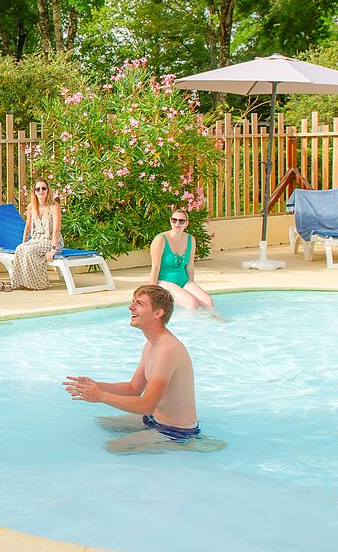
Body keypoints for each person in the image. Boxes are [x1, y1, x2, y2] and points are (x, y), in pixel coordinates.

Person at [64, 285, 207, 453]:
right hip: (152, 419)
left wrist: (101, 396)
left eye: (139, 303)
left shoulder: (167, 350)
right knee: (101, 423)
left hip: (176, 432)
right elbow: (133, 388)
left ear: (157, 313)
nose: (130, 307)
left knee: (112, 448)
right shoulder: (151, 344)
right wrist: (96, 386)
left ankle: (189, 446)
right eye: (133, 302)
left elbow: (146, 405)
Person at [148, 209, 215, 312]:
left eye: (181, 221)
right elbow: (155, 267)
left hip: (183, 281)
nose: (177, 223)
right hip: (164, 281)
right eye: (174, 220)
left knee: (208, 302)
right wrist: (151, 293)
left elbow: (190, 265)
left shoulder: (190, 239)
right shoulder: (160, 239)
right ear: (170, 221)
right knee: (191, 302)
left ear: (186, 223)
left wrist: (191, 285)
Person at [11, 179, 61, 290]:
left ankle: (38, 284)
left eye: (44, 188)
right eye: (38, 189)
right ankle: (21, 282)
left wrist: (53, 250)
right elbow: (28, 227)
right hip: (36, 240)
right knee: (20, 249)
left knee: (30, 251)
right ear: (34, 192)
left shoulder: (54, 206)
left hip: (51, 241)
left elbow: (56, 230)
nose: (41, 191)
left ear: (48, 191)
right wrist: (24, 243)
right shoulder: (31, 207)